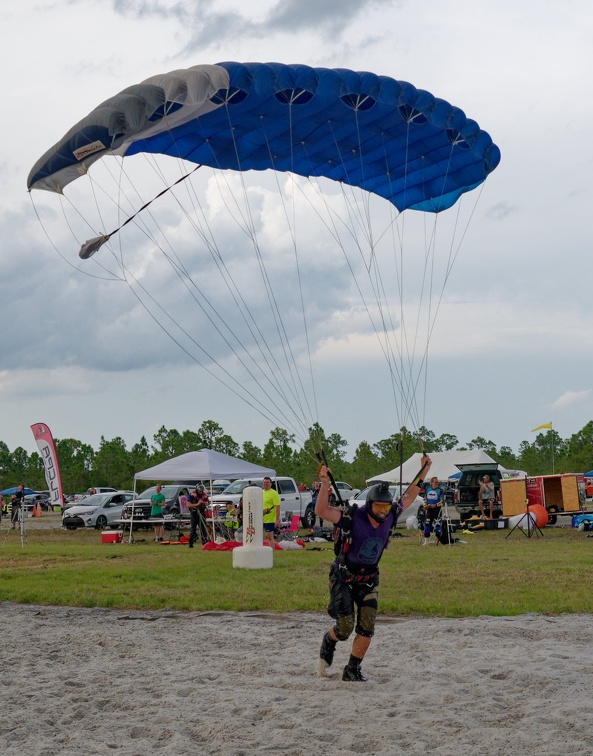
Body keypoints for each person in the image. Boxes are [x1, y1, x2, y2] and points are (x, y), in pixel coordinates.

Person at [316, 455, 431, 682]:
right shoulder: (353, 517)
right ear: (370, 505)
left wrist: (424, 471)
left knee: (367, 627)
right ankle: (329, 640)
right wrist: (325, 484)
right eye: (379, 506)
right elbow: (321, 511)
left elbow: (410, 495)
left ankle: (352, 670)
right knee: (345, 627)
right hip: (343, 577)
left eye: (386, 506)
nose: (383, 511)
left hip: (369, 578)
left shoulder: (390, 516)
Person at [422, 477, 443, 545]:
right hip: (429, 510)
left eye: (437, 482)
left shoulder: (440, 490)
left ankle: (438, 541)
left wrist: (436, 505)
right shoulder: (428, 490)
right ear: (432, 483)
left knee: (437, 526)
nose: (437, 483)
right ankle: (426, 542)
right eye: (435, 482)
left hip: (437, 510)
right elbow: (425, 499)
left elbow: (442, 501)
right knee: (427, 525)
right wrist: (425, 505)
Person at [262, 476, 280, 548]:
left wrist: (277, 519)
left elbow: (277, 507)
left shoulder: (274, 493)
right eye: (264, 482)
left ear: (270, 484)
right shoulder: (261, 492)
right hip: (262, 517)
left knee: (270, 536)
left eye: (267, 483)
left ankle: (271, 552)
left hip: (270, 518)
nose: (265, 484)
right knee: (265, 536)